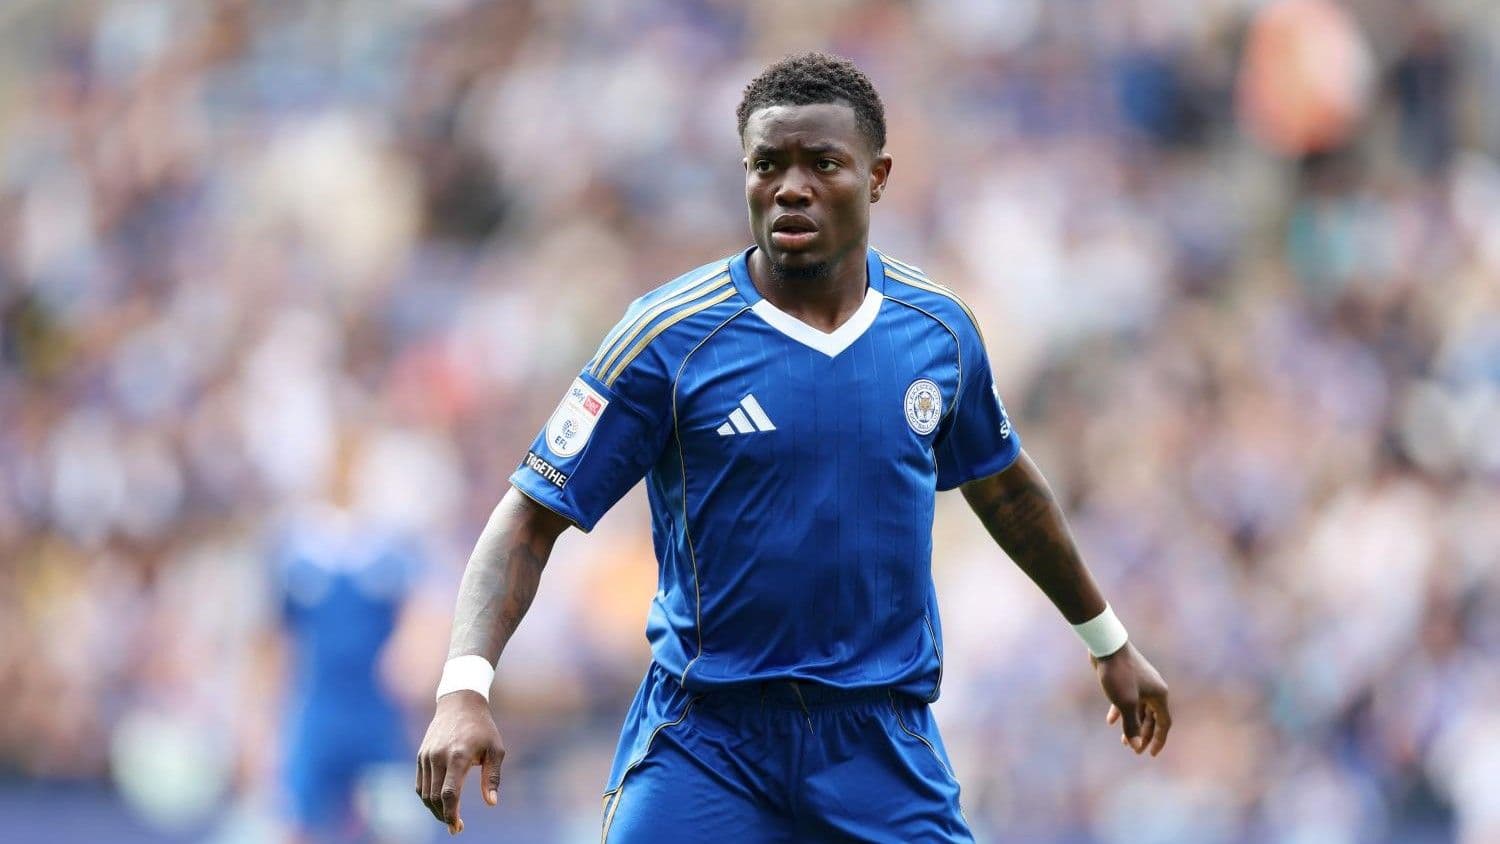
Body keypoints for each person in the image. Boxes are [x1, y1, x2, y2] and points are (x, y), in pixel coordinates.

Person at [415, 52, 1170, 841]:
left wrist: (1107, 642)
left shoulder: (937, 333)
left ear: (877, 177)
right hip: (707, 742)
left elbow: (1005, 488)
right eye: (768, 164)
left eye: (823, 164)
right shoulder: (667, 338)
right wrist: (464, 688)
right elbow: (529, 517)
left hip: (879, 745)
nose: (791, 187)